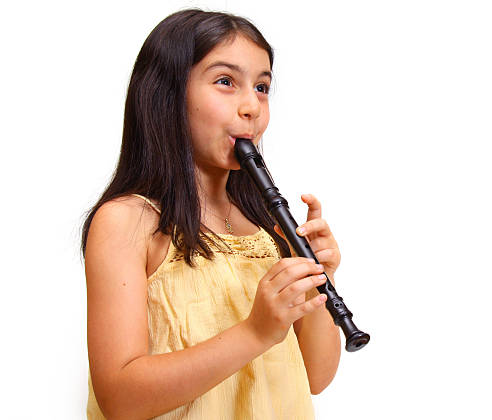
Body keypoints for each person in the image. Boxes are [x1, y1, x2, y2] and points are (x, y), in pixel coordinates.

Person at [81, 9, 342, 420]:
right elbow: (120, 398)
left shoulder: (268, 229)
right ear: (166, 95)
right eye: (225, 82)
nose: (251, 106)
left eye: (262, 87)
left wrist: (320, 282)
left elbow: (314, 375)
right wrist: (255, 332)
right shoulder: (128, 221)